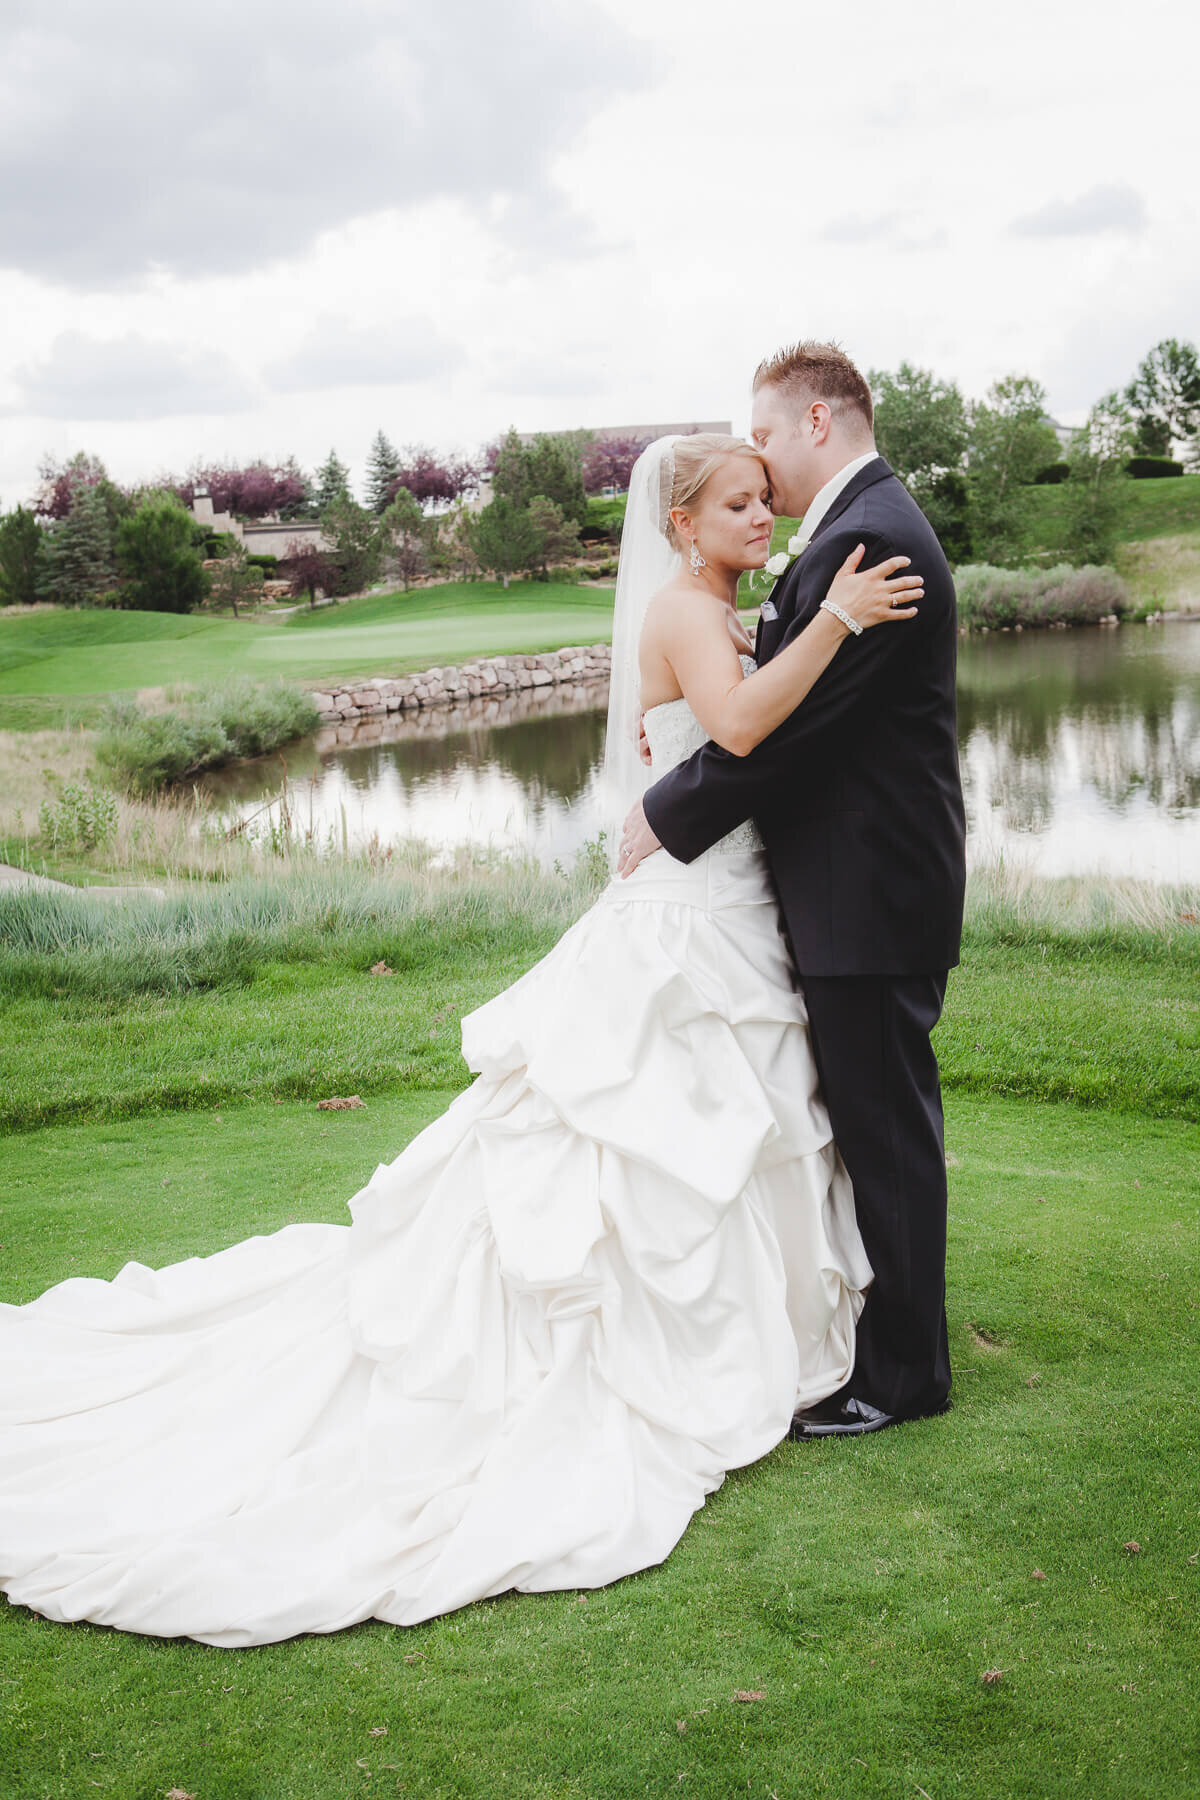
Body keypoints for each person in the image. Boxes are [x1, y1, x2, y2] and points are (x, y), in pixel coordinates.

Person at [0, 433, 921, 1649]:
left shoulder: (707, 606)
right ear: (684, 524)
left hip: (723, 905)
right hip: (686, 928)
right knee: (641, 1129)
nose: (762, 519)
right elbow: (742, 730)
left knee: (715, 1126)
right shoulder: (695, 619)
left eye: (766, 499)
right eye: (739, 505)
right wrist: (840, 619)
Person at [619, 344, 968, 1438]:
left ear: (818, 422)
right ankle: (872, 1337)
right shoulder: (857, 532)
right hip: (843, 887)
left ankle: (907, 1375)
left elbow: (788, 735)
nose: (762, 470)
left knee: (887, 1132)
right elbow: (768, 712)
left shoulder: (874, 536)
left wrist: (668, 808)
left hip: (866, 892)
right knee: (865, 1121)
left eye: (765, 439)